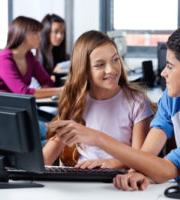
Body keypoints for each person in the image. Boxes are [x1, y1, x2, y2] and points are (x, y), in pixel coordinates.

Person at [46, 23, 180, 190]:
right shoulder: (173, 98)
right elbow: (147, 157)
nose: (163, 73)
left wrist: (97, 137)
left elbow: (167, 169)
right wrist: (137, 171)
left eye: (169, 66)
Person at [43, 30, 154, 168]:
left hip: (120, 180)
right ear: (84, 70)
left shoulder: (136, 101)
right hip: (85, 179)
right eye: (100, 65)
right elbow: (45, 161)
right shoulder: (76, 102)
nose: (111, 69)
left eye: (115, 59)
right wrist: (61, 133)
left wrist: (112, 163)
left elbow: (142, 160)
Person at [0, 16, 62, 99]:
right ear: (23, 34)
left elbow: (47, 81)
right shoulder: (3, 59)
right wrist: (60, 90)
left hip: (18, 106)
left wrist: (45, 93)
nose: (40, 38)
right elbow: (23, 92)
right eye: (36, 34)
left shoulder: (29, 57)